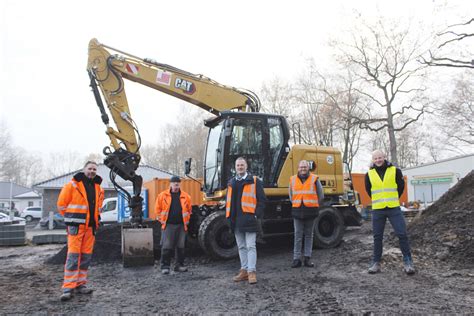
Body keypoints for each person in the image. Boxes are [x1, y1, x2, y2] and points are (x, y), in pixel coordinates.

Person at [57, 161, 104, 301]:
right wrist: (72, 219)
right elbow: (61, 205)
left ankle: (80, 284)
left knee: (85, 257)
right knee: (73, 256)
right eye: (90, 168)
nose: (92, 171)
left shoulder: (99, 188)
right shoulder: (72, 185)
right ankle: (68, 287)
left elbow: (98, 208)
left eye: (94, 169)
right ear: (84, 169)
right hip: (76, 227)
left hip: (90, 227)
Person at [365, 150, 415, 275]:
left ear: (384, 157)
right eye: (375, 158)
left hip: (393, 208)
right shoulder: (369, 174)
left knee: (402, 234)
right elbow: (368, 190)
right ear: (373, 160)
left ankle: (408, 262)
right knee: (377, 237)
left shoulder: (395, 170)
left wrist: (393, 197)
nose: (378, 160)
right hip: (378, 209)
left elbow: (401, 186)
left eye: (380, 157)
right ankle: (375, 263)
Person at [226, 157, 266, 284]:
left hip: (249, 219)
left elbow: (262, 200)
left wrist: (256, 215)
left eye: (242, 165)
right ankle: (244, 271)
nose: (240, 167)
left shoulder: (255, 181)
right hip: (236, 220)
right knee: (241, 246)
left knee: (250, 246)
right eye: (238, 165)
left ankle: (251, 272)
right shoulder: (231, 182)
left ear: (246, 166)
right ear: (235, 167)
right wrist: (229, 217)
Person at [289, 160, 324, 268]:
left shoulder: (314, 179)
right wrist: (297, 203)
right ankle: (296, 259)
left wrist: (314, 205)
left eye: (305, 167)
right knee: (297, 235)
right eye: (301, 167)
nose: (303, 169)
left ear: (308, 168)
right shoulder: (292, 179)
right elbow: (290, 195)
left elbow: (321, 195)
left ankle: (307, 258)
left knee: (309, 235)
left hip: (311, 210)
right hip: (297, 210)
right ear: (298, 168)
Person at [155, 176, 192, 275]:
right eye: (174, 183)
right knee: (166, 246)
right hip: (168, 225)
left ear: (180, 184)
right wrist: (162, 221)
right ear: (170, 184)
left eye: (178, 183)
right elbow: (157, 210)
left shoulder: (186, 196)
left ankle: (179, 265)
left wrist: (187, 220)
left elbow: (189, 210)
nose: (176, 184)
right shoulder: (162, 196)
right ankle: (165, 266)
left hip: (181, 225)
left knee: (181, 246)